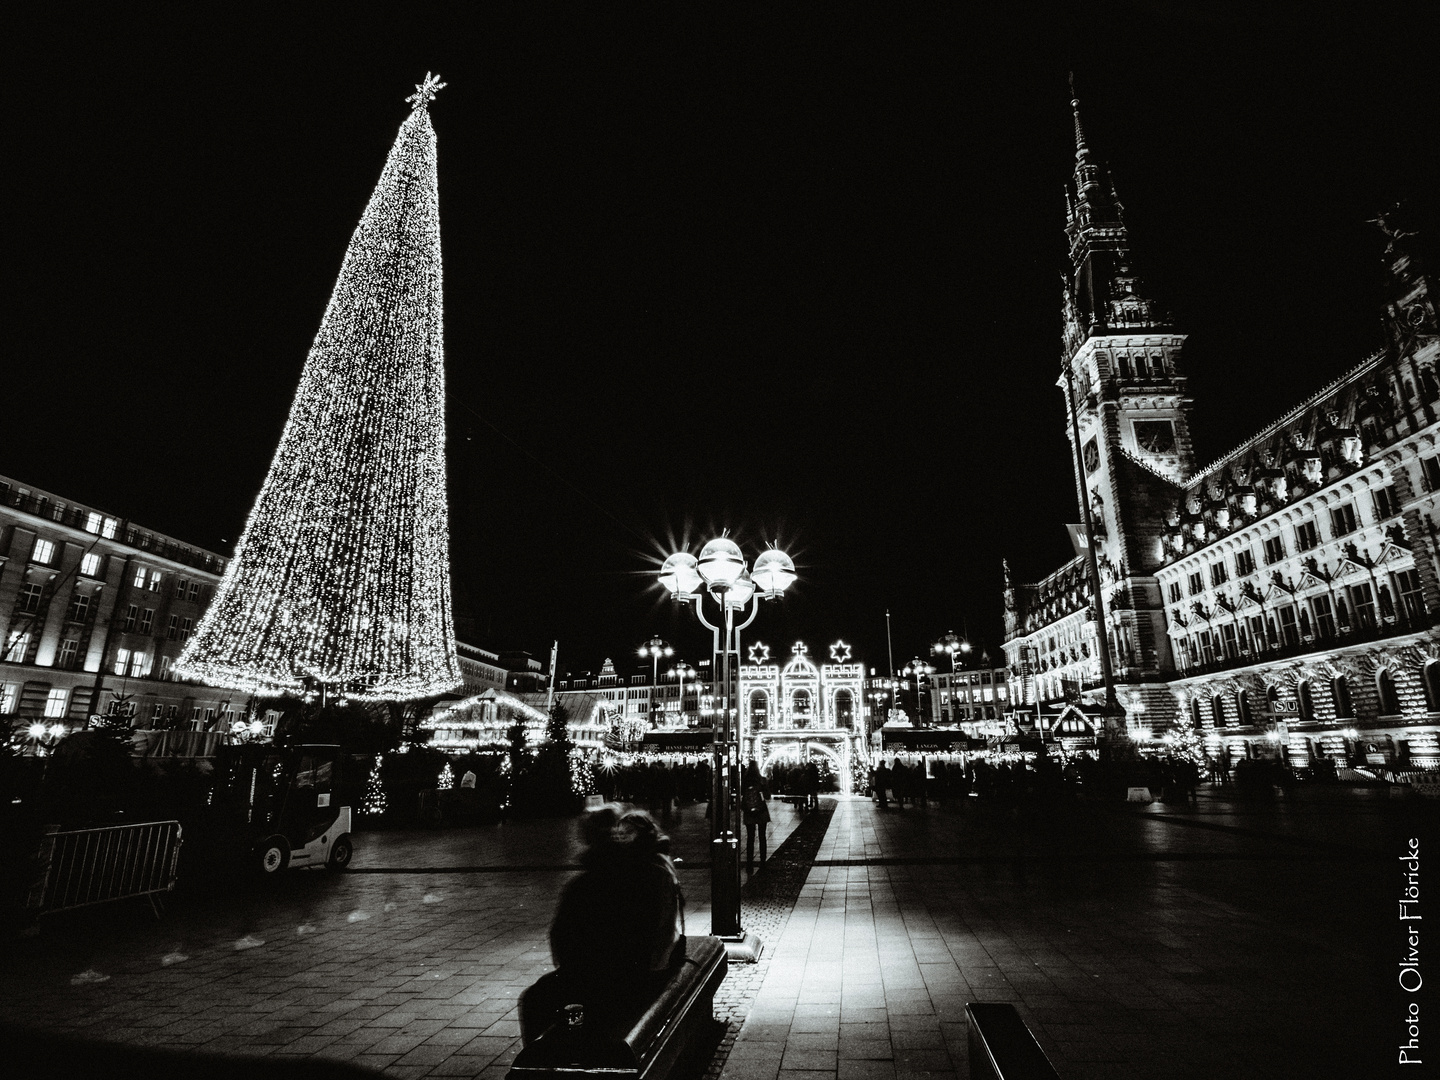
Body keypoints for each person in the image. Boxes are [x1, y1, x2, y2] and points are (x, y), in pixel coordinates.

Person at [520, 806, 684, 1044]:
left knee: (536, 1000)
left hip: (613, 983)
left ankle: (547, 1060)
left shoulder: (589, 882)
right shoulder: (642, 871)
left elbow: (563, 941)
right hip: (630, 974)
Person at [741, 761, 770, 872]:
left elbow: (742, 795)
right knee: (762, 837)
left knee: (750, 838)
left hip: (749, 812)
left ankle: (749, 864)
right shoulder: (762, 780)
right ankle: (763, 862)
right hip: (761, 811)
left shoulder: (745, 781)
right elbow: (767, 796)